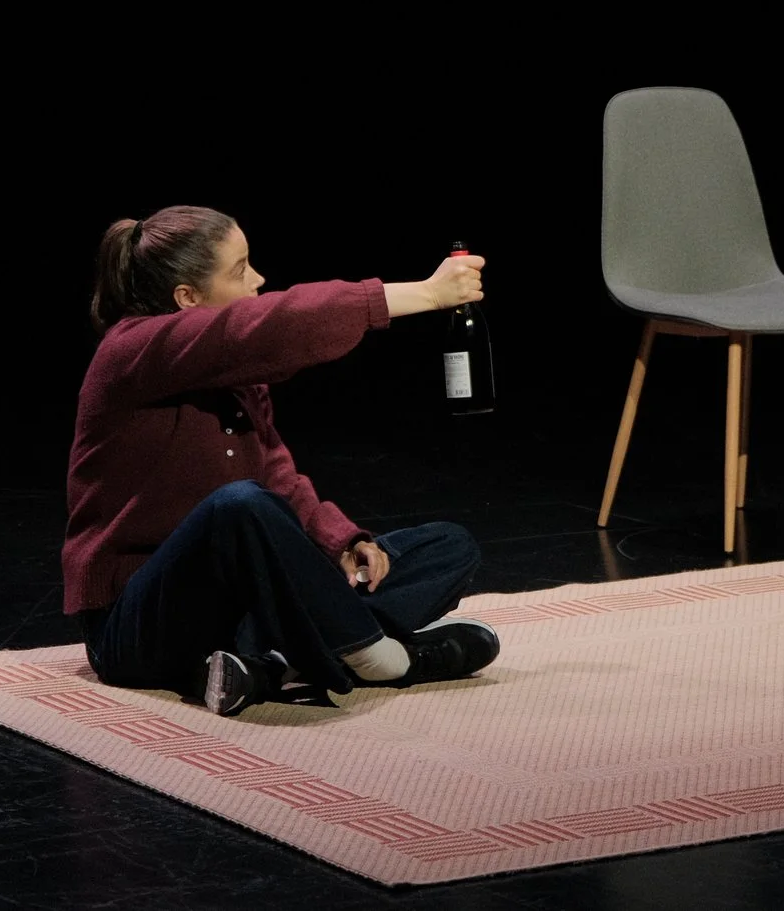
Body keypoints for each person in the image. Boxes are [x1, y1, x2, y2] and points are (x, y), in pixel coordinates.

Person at [63, 204, 500, 713]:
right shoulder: (129, 352)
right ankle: (386, 658)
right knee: (237, 505)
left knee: (447, 547)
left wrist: (340, 542)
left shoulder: (237, 375)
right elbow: (272, 323)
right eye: (239, 270)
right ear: (188, 298)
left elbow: (276, 474)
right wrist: (425, 293)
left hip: (238, 609)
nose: (258, 279)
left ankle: (270, 664)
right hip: (139, 625)